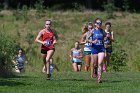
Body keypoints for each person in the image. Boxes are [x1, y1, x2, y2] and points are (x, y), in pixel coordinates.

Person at [90, 18, 105, 83]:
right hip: (94, 49)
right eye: (98, 23)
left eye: (100, 23)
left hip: (101, 49)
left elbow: (105, 38)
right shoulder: (92, 31)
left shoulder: (102, 31)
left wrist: (107, 38)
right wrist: (93, 41)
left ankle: (99, 78)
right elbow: (87, 39)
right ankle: (95, 69)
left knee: (100, 63)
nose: (99, 24)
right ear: (95, 24)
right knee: (95, 64)